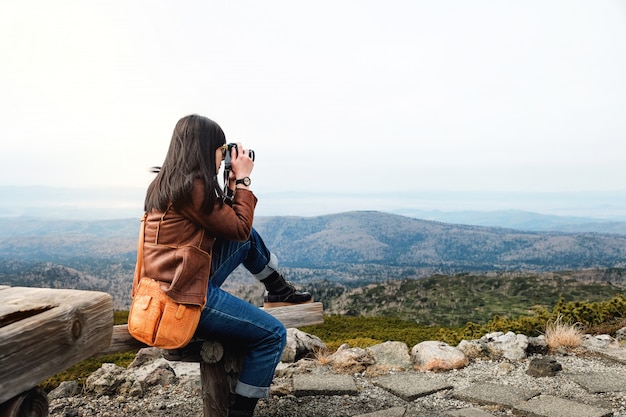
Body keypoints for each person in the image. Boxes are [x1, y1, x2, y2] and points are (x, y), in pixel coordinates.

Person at [140, 114, 312, 417]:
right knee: (272, 335)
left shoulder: (172, 181)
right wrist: (244, 181)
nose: (224, 157)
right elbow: (239, 227)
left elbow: (235, 229)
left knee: (247, 240)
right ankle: (240, 412)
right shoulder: (191, 187)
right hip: (183, 297)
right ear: (206, 148)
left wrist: (232, 187)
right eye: (222, 149)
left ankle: (278, 290)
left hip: (179, 280)